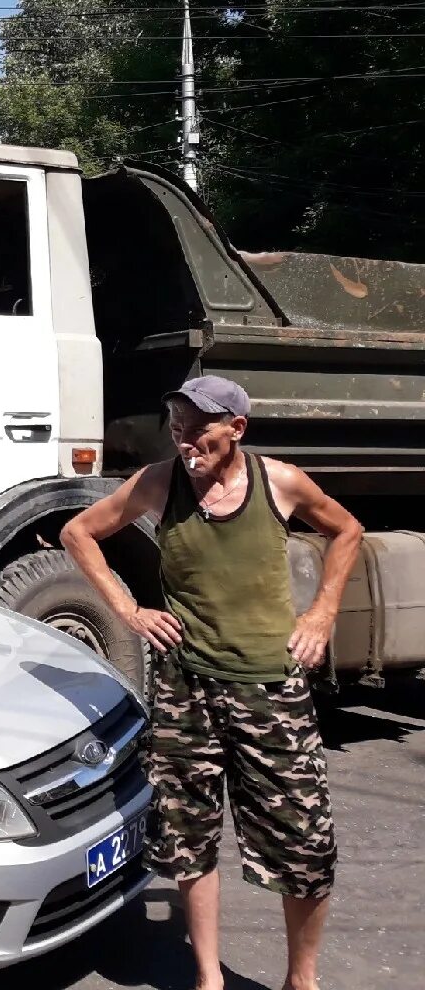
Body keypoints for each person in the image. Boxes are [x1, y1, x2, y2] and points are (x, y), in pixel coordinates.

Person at [62, 376, 360, 990]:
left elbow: (347, 531)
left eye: (200, 426)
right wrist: (127, 608)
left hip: (271, 692)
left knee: (304, 848)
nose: (186, 437)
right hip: (185, 692)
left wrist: (322, 613)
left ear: (236, 429)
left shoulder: (279, 481)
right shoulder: (157, 481)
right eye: (177, 424)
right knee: (187, 839)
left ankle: (301, 981)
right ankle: (208, 978)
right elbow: (78, 533)